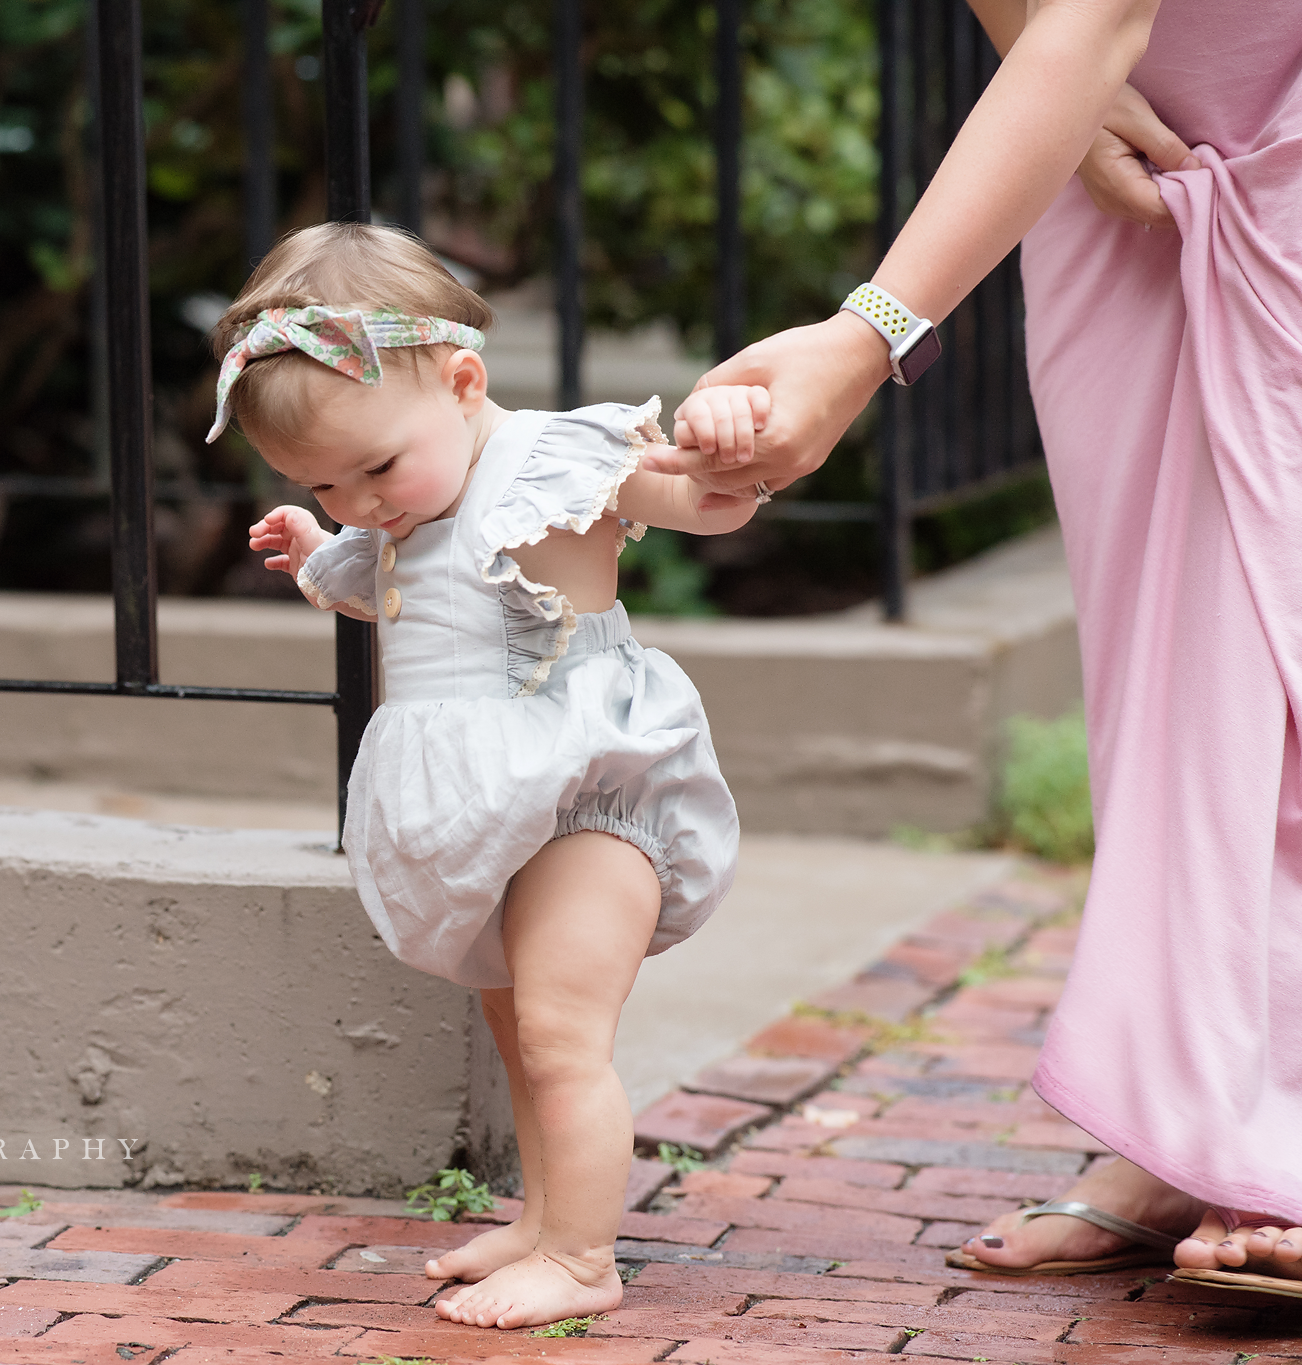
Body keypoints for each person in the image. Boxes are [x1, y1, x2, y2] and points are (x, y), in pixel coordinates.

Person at [643, 0, 1302, 1295]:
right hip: (1114, 155)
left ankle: (1265, 1110)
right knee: (1158, 662)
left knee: (1269, 643)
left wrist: (866, 335)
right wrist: (1040, 59)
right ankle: (1181, 1109)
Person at [209, 220, 768, 1329]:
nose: (359, 501)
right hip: (485, 814)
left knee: (564, 1035)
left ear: (464, 382)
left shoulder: (552, 462)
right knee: (518, 1031)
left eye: (370, 467)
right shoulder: (405, 505)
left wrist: (722, 458)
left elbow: (698, 504)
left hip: (582, 803)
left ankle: (581, 1258)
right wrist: (314, 549)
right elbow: (408, 583)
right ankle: (543, 1217)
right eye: (320, 482)